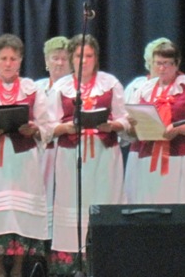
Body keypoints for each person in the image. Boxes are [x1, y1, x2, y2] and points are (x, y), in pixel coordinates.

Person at [0, 34, 54, 277]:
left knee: (19, 211)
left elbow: (47, 124)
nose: (8, 63)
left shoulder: (32, 89)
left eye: (13, 58)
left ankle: (18, 269)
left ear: (20, 61)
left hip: (22, 160)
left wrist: (34, 129)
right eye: (3, 58)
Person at [48, 35, 127, 275]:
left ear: (96, 58)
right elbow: (48, 125)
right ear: (72, 58)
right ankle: (74, 265)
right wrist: (65, 128)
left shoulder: (110, 83)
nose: (84, 61)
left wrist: (112, 126)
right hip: (72, 155)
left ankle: (107, 262)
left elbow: (125, 119)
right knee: (73, 202)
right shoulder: (61, 87)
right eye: (79, 56)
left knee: (105, 200)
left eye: (89, 56)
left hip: (104, 155)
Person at [124, 39, 185, 204]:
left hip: (181, 157)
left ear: (177, 64)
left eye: (166, 64)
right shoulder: (144, 89)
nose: (161, 68)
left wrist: (179, 129)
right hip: (149, 157)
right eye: (158, 63)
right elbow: (131, 131)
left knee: (179, 203)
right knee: (151, 205)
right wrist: (134, 125)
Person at [34, 36, 69, 242]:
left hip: (66, 150)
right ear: (46, 61)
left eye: (65, 59)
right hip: (41, 153)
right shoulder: (36, 88)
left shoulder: (77, 89)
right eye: (55, 58)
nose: (59, 63)